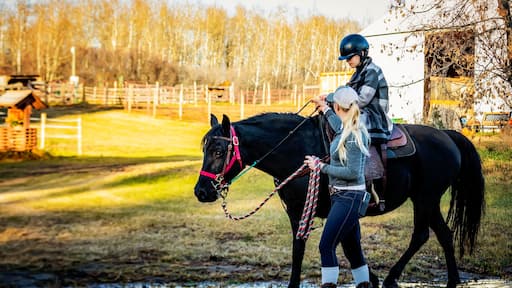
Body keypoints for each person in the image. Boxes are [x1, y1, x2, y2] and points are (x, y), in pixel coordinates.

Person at [305, 86, 372, 288]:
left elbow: (353, 173)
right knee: (353, 250)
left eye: (332, 104)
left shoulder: (353, 135)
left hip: (348, 198)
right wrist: (323, 108)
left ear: (339, 106)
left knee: (326, 246)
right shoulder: (346, 127)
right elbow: (336, 125)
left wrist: (320, 166)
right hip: (344, 197)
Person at [335, 33, 392, 144]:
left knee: (343, 127)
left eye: (350, 57)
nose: (347, 61)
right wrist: (330, 99)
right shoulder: (357, 74)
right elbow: (347, 94)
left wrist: (336, 101)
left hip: (374, 116)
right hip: (361, 112)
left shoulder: (371, 71)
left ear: (361, 53)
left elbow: (361, 100)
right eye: (346, 59)